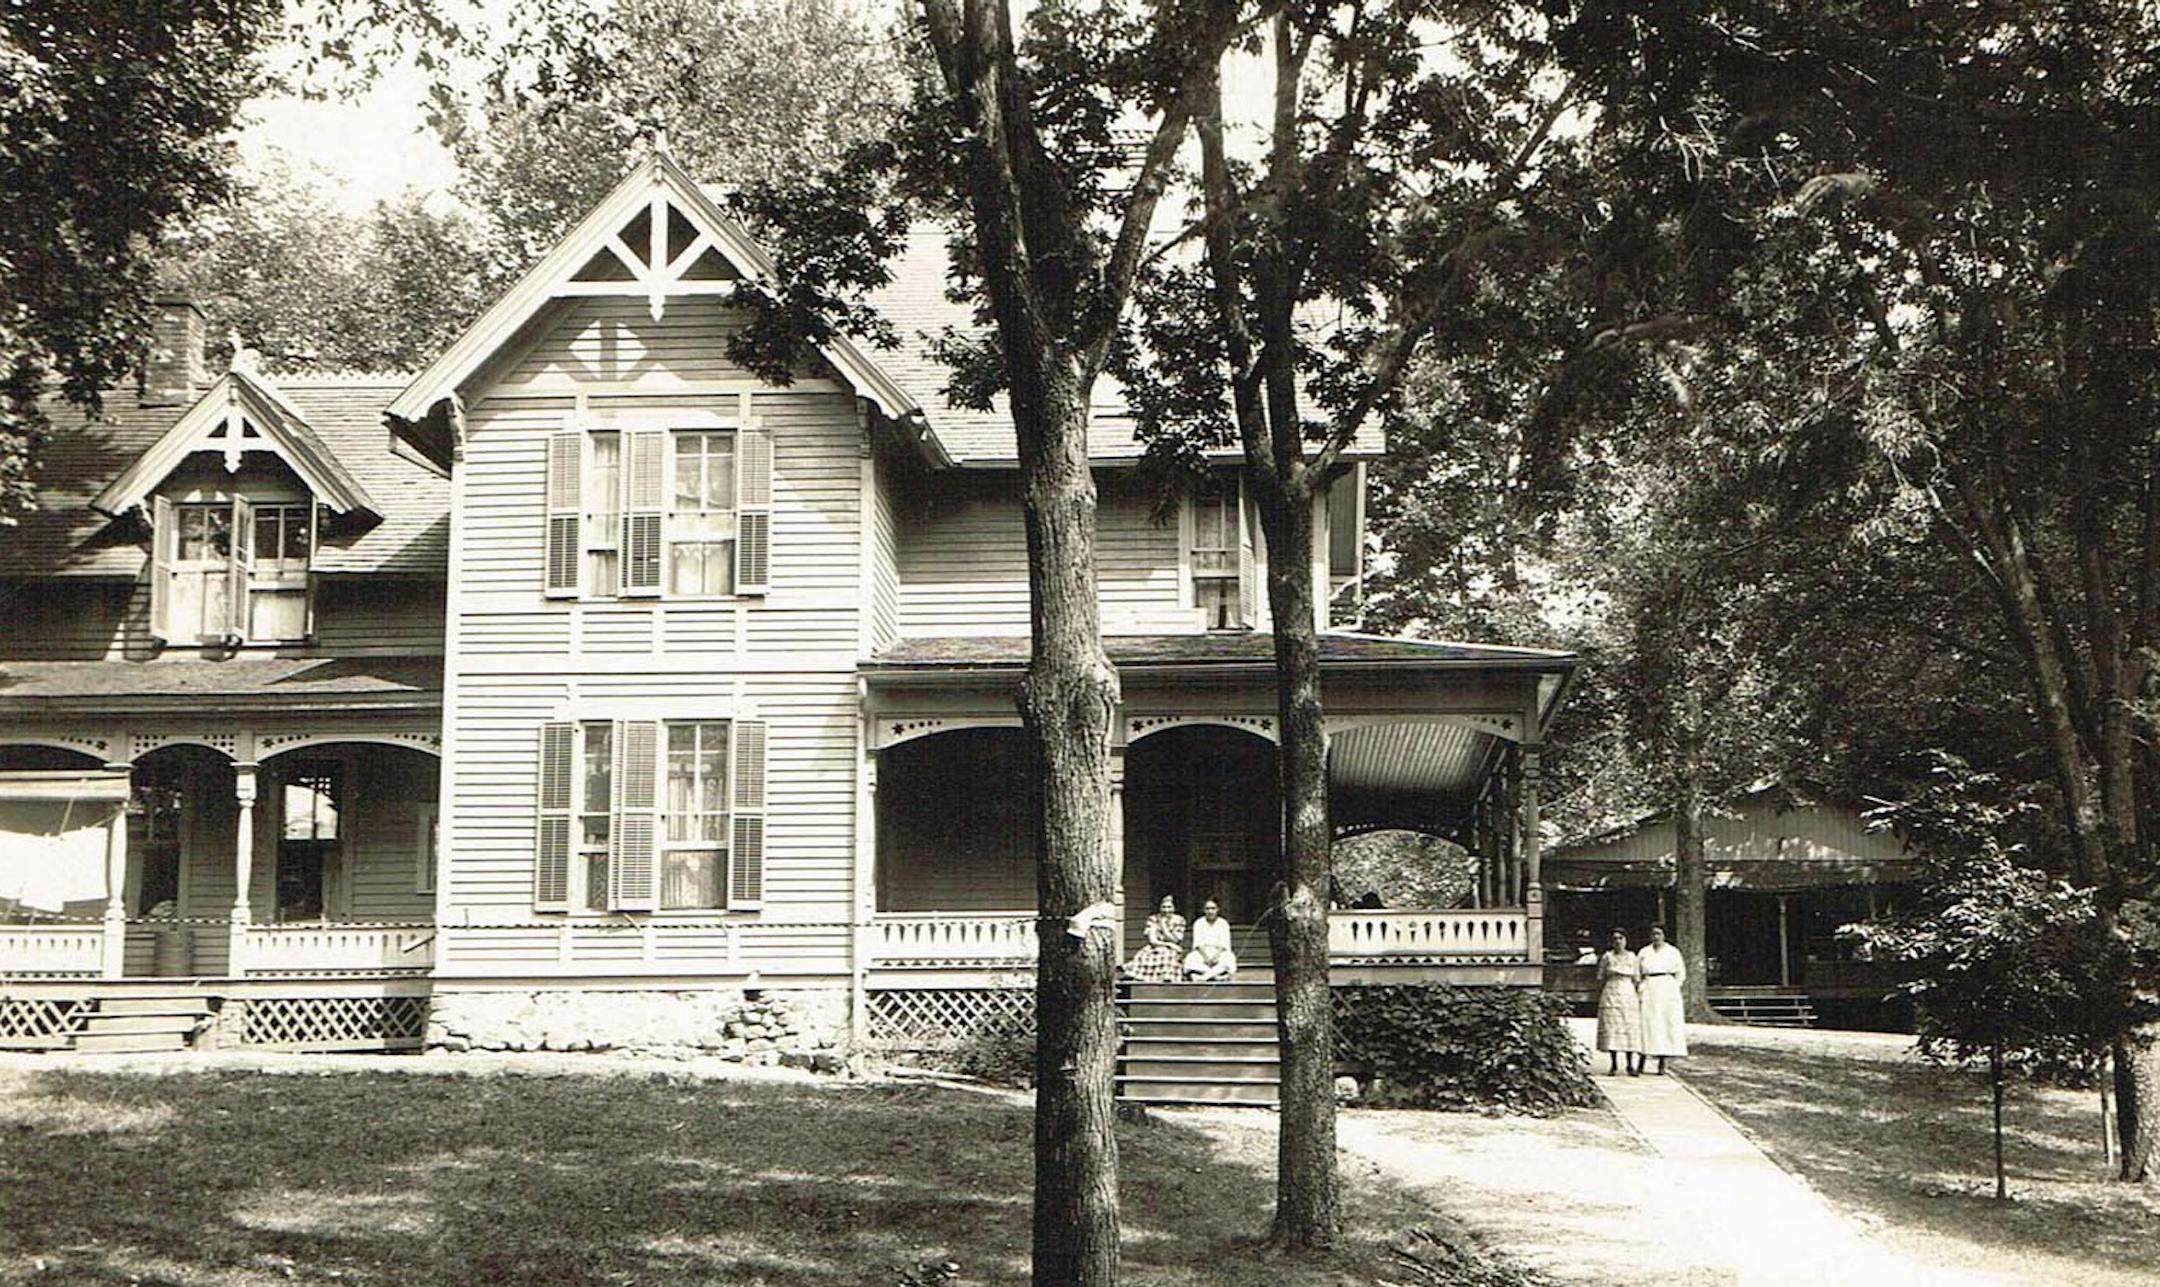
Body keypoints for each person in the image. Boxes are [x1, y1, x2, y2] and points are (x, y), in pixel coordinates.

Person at [1636, 924, 1688, 1072]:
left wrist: (1673, 987)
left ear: (1664, 936)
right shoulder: (1644, 952)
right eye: (1653, 934)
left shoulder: (1673, 952)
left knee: (1664, 1023)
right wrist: (1640, 986)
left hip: (1666, 988)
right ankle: (1642, 1058)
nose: (1656, 937)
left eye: (1659, 934)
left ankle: (1662, 1060)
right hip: (1649, 987)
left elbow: (1681, 973)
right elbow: (1637, 971)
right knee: (1647, 1023)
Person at [1594, 930, 1645, 1076]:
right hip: (1611, 991)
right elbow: (1600, 976)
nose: (1618, 941)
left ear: (1626, 940)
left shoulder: (1632, 957)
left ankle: (1630, 1064)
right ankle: (1614, 1064)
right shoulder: (1607, 956)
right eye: (1615, 939)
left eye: (1621, 938)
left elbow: (1637, 978)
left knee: (1629, 1027)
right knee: (1612, 1027)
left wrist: (1637, 993)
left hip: (1627, 992)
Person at [1124, 895, 1186, 982]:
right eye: (1164, 907)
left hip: (1172, 949)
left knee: (1167, 957)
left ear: (1174, 908)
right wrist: (1168, 944)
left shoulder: (1179, 920)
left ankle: (1166, 979)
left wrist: (1163, 926)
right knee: (1142, 956)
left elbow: (1175, 940)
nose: (1166, 910)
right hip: (1156, 946)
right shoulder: (1153, 919)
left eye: (1169, 907)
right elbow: (1152, 940)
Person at [1184, 898, 1236, 981]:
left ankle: (1203, 977)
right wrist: (1206, 958)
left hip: (1219, 952)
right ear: (1204, 910)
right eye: (1207, 909)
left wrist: (1216, 956)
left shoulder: (1223, 923)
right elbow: (1198, 943)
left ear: (1217, 909)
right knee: (1191, 958)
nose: (1210, 911)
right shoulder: (1198, 923)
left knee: (1229, 958)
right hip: (1203, 952)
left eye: (1213, 908)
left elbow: (1224, 944)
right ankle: (1216, 976)